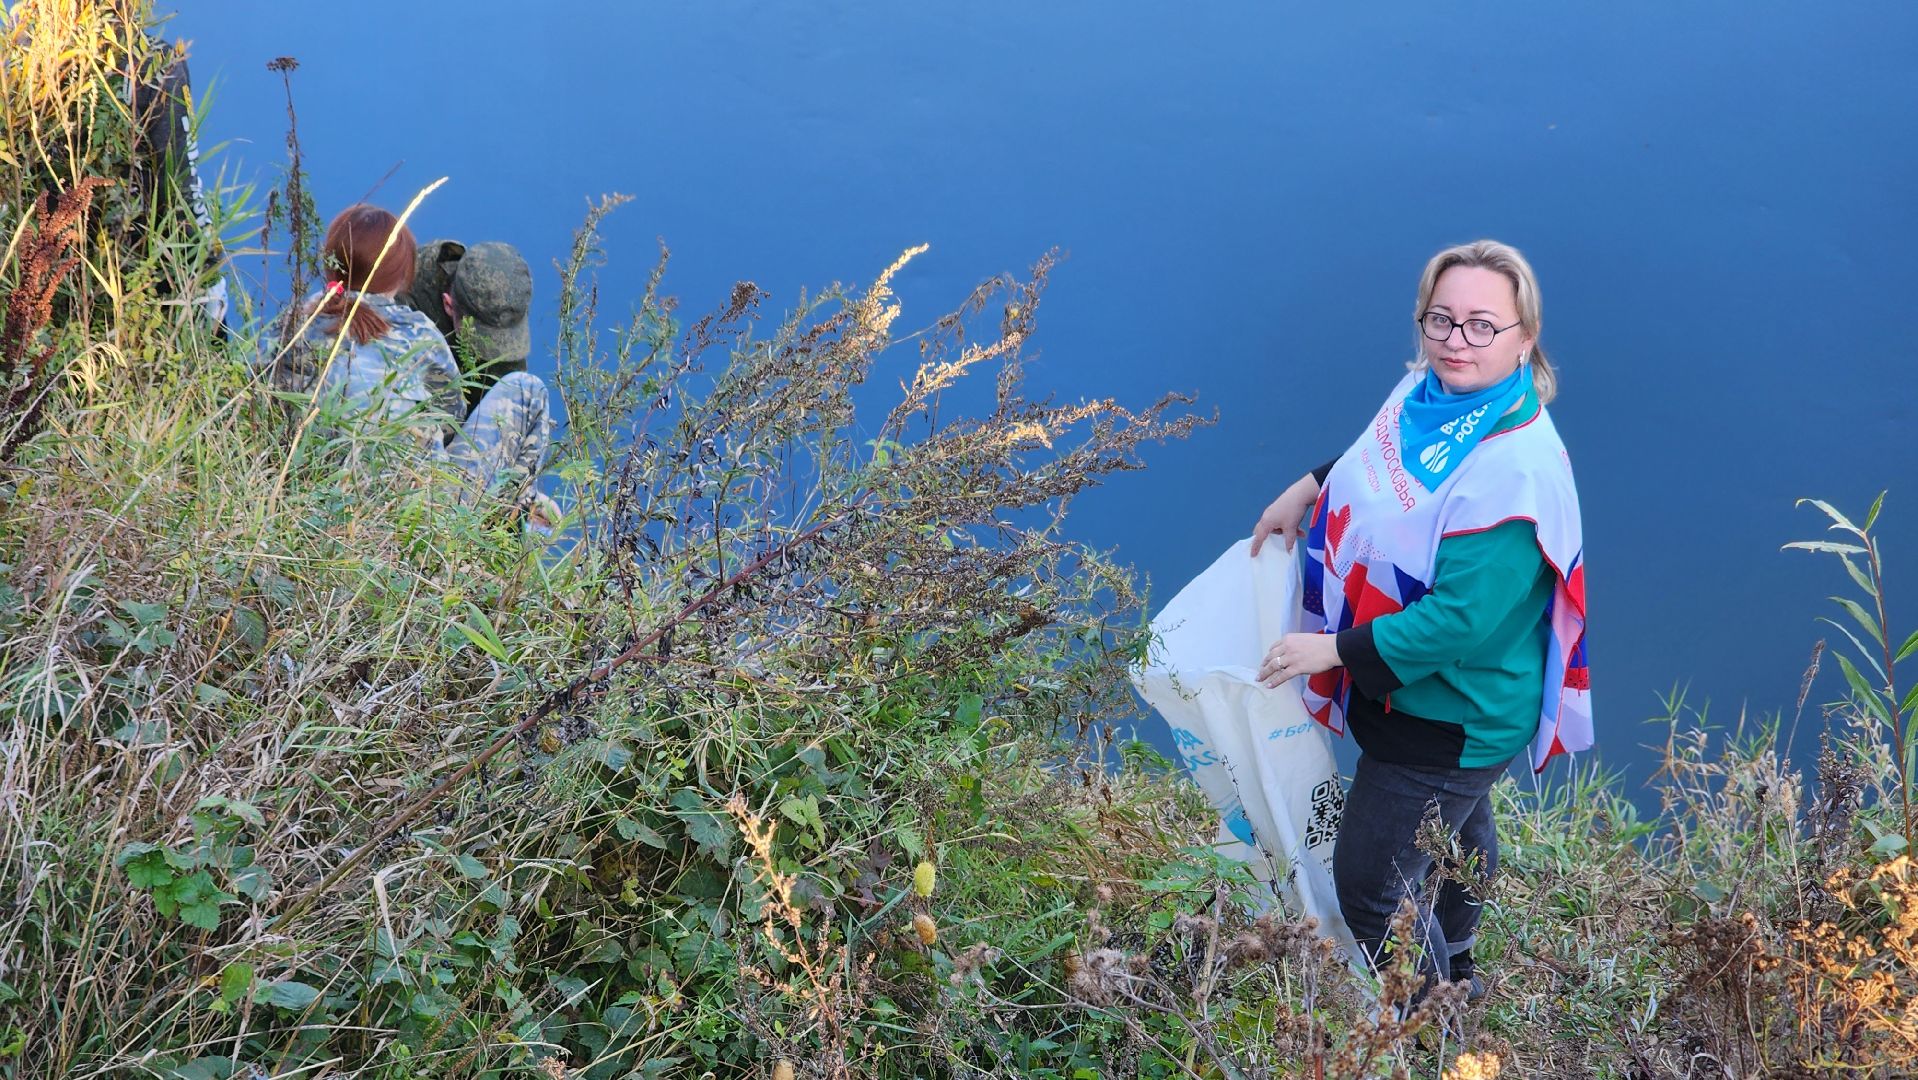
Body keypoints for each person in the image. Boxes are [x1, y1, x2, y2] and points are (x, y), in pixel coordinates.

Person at [1247, 239, 1592, 1001]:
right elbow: (1384, 461)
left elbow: (1458, 624)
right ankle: (1459, 965)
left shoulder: (1513, 469)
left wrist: (1329, 649)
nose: (1454, 341)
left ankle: (1434, 1030)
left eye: (1480, 325)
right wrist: (1311, 484)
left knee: (1371, 886)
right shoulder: (1433, 397)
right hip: (1431, 699)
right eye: (1440, 320)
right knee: (1458, 836)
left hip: (1449, 717)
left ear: (1524, 338)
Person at [266, 205, 553, 506]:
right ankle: (508, 518)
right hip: (416, 511)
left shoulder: (292, 323)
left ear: (329, 264)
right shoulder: (419, 334)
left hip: (313, 490)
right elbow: (451, 419)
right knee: (527, 389)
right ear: (403, 276)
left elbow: (261, 389)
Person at [401, 239, 533, 412]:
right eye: (482, 335)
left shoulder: (507, 297)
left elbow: (508, 396)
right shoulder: (403, 298)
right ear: (449, 305)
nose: (494, 349)